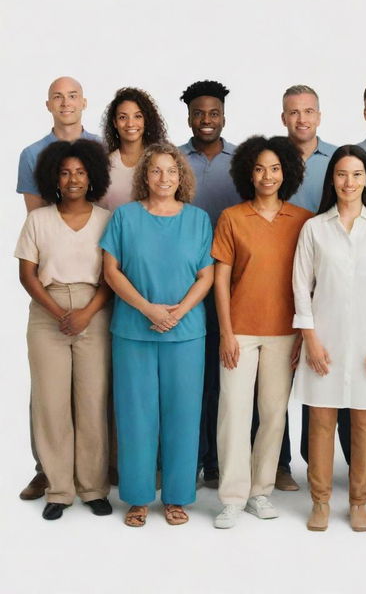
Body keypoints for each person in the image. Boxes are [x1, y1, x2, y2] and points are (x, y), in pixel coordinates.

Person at [101, 142, 214, 527]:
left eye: (171, 171)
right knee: (135, 416)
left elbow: (206, 274)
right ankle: (137, 497)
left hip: (186, 333)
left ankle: (177, 497)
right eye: (155, 171)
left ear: (181, 176)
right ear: (143, 176)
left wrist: (180, 311)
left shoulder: (198, 220)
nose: (163, 178)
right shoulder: (125, 217)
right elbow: (111, 271)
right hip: (134, 331)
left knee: (183, 416)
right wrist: (148, 308)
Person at [293, 145, 366, 533]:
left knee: (365, 422)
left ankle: (359, 501)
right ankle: (320, 501)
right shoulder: (314, 229)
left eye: (357, 175)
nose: (349, 182)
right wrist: (311, 339)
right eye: (341, 174)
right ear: (332, 179)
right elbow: (301, 288)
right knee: (321, 420)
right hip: (325, 338)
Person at [212, 136, 311, 529]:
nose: (267, 176)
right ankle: (232, 497)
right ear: (247, 174)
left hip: (285, 333)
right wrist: (226, 332)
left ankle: (260, 492)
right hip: (240, 331)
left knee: (273, 415)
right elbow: (221, 280)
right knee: (233, 413)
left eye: (274, 168)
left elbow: (311, 281)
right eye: (258, 168)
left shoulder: (303, 220)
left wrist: (303, 333)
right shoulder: (232, 218)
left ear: (286, 171)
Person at [15, 139, 112, 520]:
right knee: (51, 402)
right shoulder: (38, 220)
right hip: (46, 310)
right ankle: (59, 488)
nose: (73, 179)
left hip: (95, 308)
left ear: (92, 177)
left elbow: (111, 275)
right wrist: (59, 312)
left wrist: (86, 313)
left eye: (80, 172)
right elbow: (27, 274)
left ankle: (92, 487)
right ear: (53, 177)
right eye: (65, 172)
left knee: (92, 402)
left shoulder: (106, 219)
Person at [280, 84, 349, 484]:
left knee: (324, 364)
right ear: (283, 118)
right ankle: (281, 464)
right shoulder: (272, 159)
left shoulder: (338, 160)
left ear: (319, 116)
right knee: (280, 379)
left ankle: (329, 458)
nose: (302, 119)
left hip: (328, 282)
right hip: (277, 279)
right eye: (294, 112)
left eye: (308, 111)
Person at [179, 80, 241, 490]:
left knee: (225, 377)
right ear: (189, 116)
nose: (206, 120)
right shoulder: (173, 160)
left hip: (232, 284)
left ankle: (219, 460)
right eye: (199, 113)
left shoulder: (242, 161)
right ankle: (192, 457)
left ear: (223, 115)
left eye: (213, 112)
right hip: (183, 284)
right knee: (191, 378)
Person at [17, 76, 100, 213]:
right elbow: (34, 217)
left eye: (72, 96)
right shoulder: (31, 155)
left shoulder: (105, 148)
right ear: (48, 105)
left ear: (84, 103)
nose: (65, 103)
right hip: (52, 233)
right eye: (57, 97)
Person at [99, 87, 168, 211]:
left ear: (146, 120)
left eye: (138, 116)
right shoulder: (105, 165)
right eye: (123, 117)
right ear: (114, 122)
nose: (130, 124)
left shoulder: (161, 161)